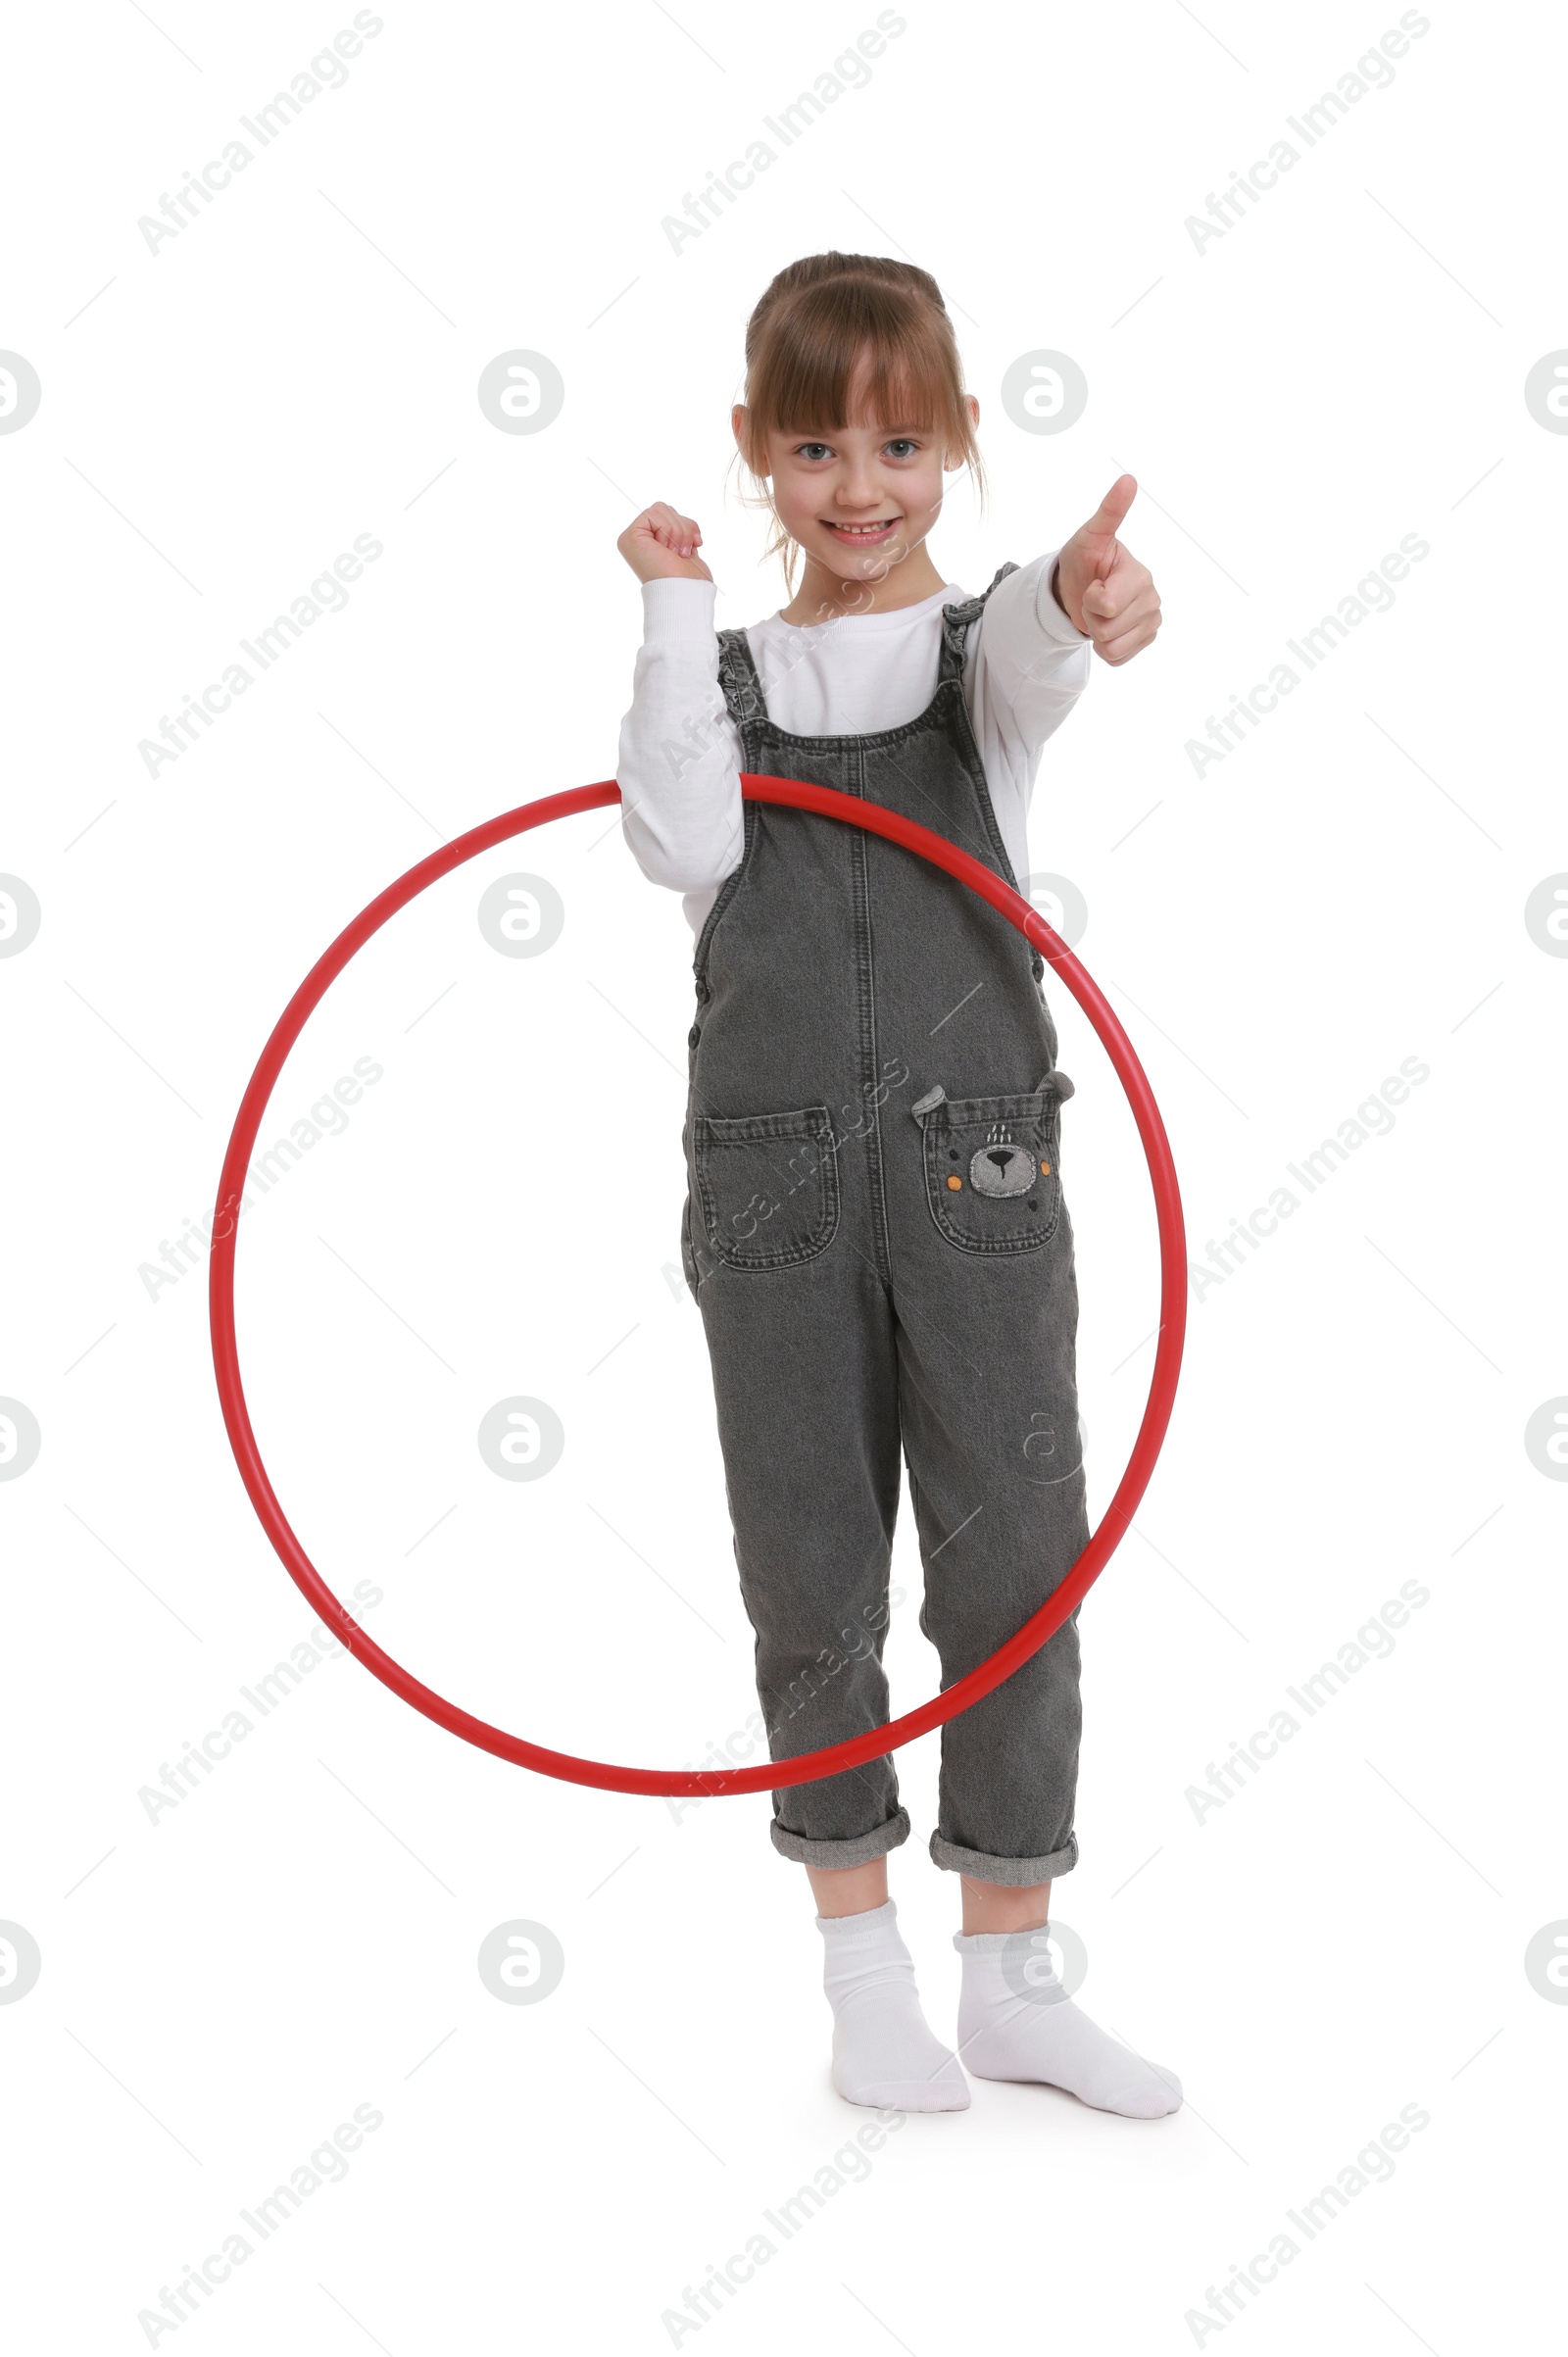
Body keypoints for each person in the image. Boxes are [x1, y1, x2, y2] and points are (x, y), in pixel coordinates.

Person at [615, 252, 1177, 2119]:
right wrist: (671, 597)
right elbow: (677, 838)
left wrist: (1093, 594)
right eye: (817, 445)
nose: (861, 484)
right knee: (813, 1561)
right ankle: (864, 1976)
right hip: (770, 1180)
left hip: (978, 1158)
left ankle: (1011, 1970)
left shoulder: (984, 660)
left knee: (1017, 1555)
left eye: (902, 442)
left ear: (954, 450)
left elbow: (1041, 636)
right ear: (758, 454)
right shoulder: (715, 673)